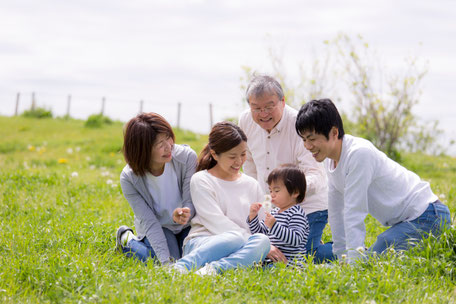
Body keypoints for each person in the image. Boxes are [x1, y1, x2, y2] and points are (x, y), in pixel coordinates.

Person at [295, 98, 452, 263]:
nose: (307, 146)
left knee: (371, 262)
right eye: (304, 139)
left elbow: (354, 211)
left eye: (312, 139)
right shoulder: (329, 160)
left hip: (428, 215)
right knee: (371, 255)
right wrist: (341, 255)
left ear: (334, 133)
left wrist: (353, 263)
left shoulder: (358, 154)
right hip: (406, 221)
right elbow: (336, 211)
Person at [238, 75, 334, 262]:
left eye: (269, 106)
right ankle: (311, 240)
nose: (263, 114)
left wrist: (291, 193)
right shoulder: (245, 121)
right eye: (256, 108)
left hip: (308, 205)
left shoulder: (299, 124)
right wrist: (263, 202)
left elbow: (316, 174)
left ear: (282, 102)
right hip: (273, 208)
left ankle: (346, 247)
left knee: (303, 256)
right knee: (267, 253)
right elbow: (248, 164)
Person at [172, 121, 270, 275]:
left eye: (243, 154)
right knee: (235, 238)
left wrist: (266, 246)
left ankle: (211, 271)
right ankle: (182, 266)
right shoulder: (201, 180)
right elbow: (217, 223)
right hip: (205, 242)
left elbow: (264, 223)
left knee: (263, 241)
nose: (239, 161)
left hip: (242, 245)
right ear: (214, 154)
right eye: (232, 156)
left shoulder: (252, 184)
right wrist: (250, 243)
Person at [115, 112, 197, 264]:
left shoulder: (186, 158)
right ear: (143, 150)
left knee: (192, 258)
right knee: (166, 261)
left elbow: (190, 201)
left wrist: (186, 213)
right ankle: (127, 240)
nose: (169, 146)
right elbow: (150, 222)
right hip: (159, 227)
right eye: (160, 144)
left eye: (168, 137)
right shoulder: (129, 178)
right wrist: (167, 264)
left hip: (187, 225)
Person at [248, 164, 309, 265]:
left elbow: (296, 240)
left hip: (289, 263)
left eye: (276, 190)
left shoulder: (296, 214)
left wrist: (274, 226)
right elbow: (259, 234)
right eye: (270, 190)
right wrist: (253, 217)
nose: (272, 194)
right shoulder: (274, 212)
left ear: (295, 192)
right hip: (272, 260)